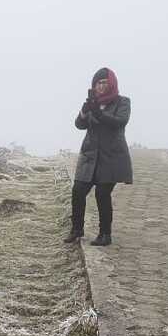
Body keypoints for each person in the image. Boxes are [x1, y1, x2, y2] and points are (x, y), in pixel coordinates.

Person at [65, 67, 133, 246]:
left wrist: (98, 113)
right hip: (90, 156)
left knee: (102, 194)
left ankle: (105, 234)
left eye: (104, 82)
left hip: (111, 157)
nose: (101, 86)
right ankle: (77, 230)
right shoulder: (92, 102)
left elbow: (120, 122)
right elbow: (80, 125)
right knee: (78, 191)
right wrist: (84, 111)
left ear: (112, 83)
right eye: (98, 83)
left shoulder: (122, 102)